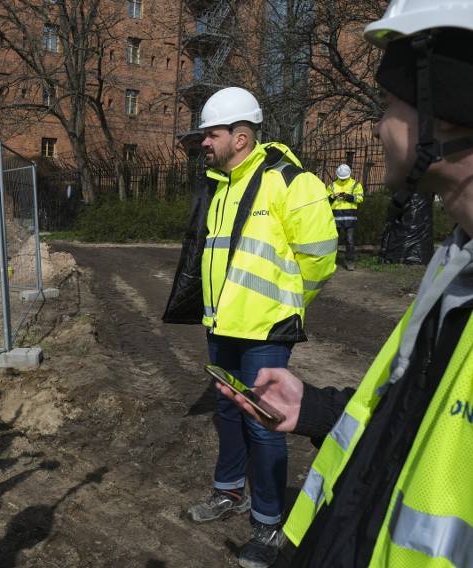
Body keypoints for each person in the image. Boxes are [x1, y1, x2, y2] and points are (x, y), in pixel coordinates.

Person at [216, 1, 473, 566]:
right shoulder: (455, 266)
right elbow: (417, 427)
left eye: (386, 104)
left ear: (446, 109)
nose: (377, 126)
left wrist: (290, 305)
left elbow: (316, 253)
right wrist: (321, 411)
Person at [162, 86, 337, 568]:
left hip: (266, 329)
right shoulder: (220, 184)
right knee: (228, 411)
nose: (204, 142)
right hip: (222, 325)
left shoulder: (290, 182)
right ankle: (228, 492)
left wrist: (291, 304)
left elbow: (320, 257)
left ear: (241, 137)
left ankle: (268, 522)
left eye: (211, 133)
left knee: (264, 425)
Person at [327, 164, 364, 271]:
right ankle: (330, 261)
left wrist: (347, 196)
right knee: (333, 240)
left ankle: (350, 262)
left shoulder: (355, 185)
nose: (343, 180)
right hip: (336, 216)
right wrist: (333, 196)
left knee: (350, 240)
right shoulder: (332, 185)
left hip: (350, 216)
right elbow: (326, 200)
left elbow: (360, 198)